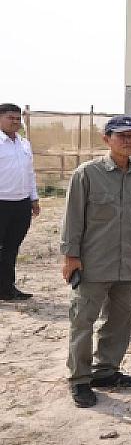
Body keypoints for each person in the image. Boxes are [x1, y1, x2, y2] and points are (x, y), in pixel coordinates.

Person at [60, 116, 131, 407]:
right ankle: (79, 380)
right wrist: (70, 256)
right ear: (107, 139)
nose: (128, 141)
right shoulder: (87, 174)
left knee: (120, 320)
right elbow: (73, 219)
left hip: (126, 263)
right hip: (93, 263)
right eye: (121, 135)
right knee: (83, 321)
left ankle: (106, 370)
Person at [0, 103, 39, 301]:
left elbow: (29, 173)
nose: (15, 122)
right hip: (1, 203)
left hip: (21, 204)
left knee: (11, 248)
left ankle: (7, 289)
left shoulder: (24, 144)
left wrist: (34, 198)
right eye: (10, 118)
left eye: (18, 118)